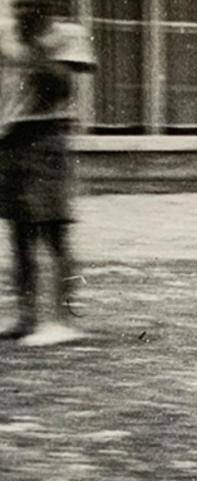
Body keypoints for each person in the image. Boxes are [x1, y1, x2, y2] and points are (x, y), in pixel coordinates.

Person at [0, 0, 95, 345]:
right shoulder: (5, 31)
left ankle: (62, 320)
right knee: (19, 233)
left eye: (30, 4)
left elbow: (62, 88)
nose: (21, 9)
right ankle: (26, 316)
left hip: (47, 136)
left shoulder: (67, 35)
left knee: (54, 232)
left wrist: (33, 44)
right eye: (18, 4)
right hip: (11, 141)